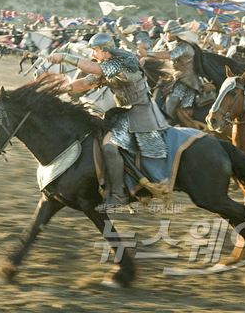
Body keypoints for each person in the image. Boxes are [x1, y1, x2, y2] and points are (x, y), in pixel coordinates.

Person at [47, 33, 169, 210]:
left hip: (139, 111)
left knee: (109, 146)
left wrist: (64, 57)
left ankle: (118, 194)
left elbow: (94, 70)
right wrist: (59, 90)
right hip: (122, 112)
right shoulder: (108, 64)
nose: (94, 54)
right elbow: (87, 82)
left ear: (105, 50)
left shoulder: (124, 60)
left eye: (95, 50)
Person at [138, 20, 205, 128]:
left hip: (187, 82)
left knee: (171, 102)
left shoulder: (184, 46)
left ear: (174, 33)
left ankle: (166, 124)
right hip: (178, 78)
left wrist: (147, 53)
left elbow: (170, 55)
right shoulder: (178, 44)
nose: (165, 35)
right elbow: (163, 52)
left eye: (167, 32)